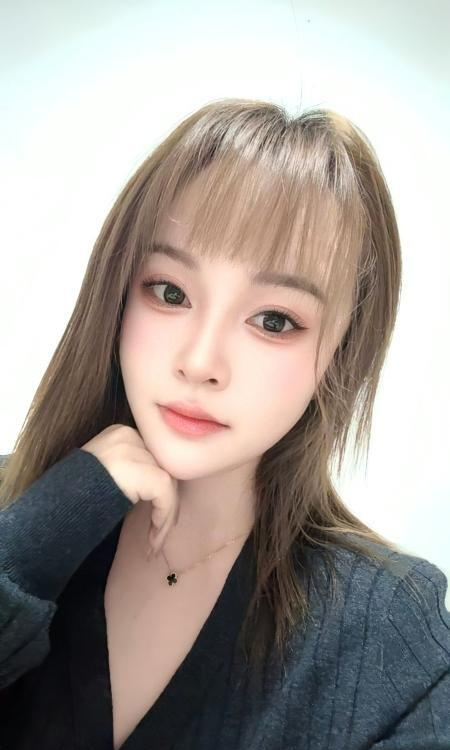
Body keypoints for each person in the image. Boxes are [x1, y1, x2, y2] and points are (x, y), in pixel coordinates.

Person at [0, 98, 449, 750]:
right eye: (170, 292)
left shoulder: (388, 632)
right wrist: (36, 538)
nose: (201, 362)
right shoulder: (18, 515)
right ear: (117, 291)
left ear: (340, 352)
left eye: (274, 320)